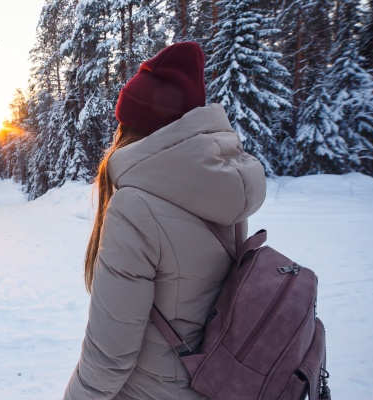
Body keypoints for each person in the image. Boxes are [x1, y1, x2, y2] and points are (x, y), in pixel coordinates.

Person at [63, 42, 267, 400]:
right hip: (212, 385)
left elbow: (110, 356)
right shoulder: (215, 184)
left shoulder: (135, 208)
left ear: (132, 129)